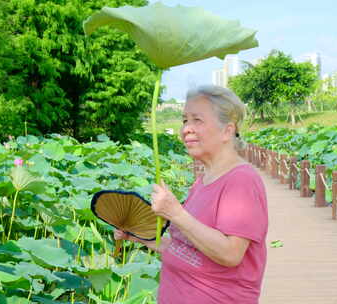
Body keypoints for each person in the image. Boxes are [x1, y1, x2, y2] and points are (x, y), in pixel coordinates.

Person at [114, 85, 268, 304]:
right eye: (185, 120)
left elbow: (230, 254)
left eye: (198, 120)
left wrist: (176, 213)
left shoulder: (241, 180)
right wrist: (138, 236)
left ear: (227, 130)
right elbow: (185, 248)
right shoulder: (203, 181)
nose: (186, 129)